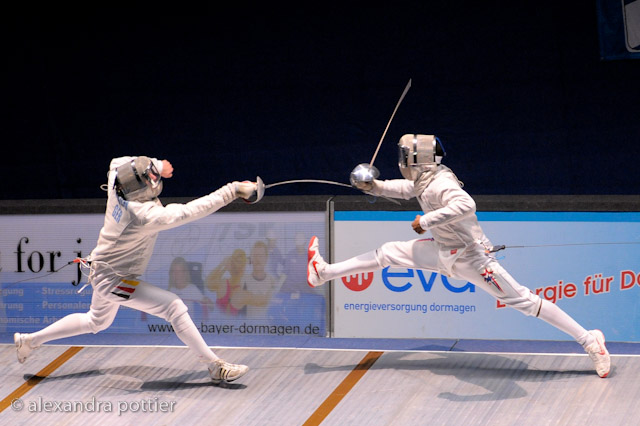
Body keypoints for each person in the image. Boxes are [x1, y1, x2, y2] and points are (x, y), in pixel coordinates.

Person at [307, 134, 611, 378]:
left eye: (404, 156)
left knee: (525, 302)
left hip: (472, 259)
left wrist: (425, 221)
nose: (401, 161)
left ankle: (591, 342)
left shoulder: (442, 183)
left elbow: (467, 206)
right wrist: (374, 186)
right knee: (388, 252)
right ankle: (324, 272)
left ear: (417, 159)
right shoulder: (426, 180)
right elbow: (408, 189)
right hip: (441, 251)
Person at [14, 155, 259, 384]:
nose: (154, 179)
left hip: (102, 269)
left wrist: (155, 165)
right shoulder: (143, 216)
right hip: (114, 281)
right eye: (150, 178)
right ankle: (215, 366)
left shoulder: (116, 179)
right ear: (141, 191)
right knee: (173, 306)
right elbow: (189, 211)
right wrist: (233, 190)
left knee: (96, 321)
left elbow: (118, 161)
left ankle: (29, 340)